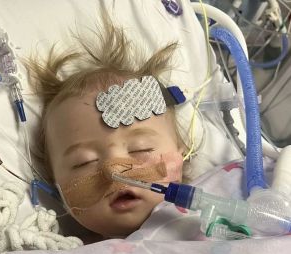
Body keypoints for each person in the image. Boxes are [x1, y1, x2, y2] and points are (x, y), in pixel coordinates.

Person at [25, 15, 194, 239]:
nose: (114, 170)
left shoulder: (223, 199)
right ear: (57, 188)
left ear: (182, 155)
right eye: (83, 162)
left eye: (140, 149)